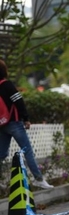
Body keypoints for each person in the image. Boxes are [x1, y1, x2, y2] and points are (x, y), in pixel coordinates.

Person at [0, 59, 54, 189]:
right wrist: (26, 118)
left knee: (1, 154)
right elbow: (19, 101)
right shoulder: (7, 85)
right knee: (27, 150)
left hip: (2, 125)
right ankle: (38, 179)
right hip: (14, 123)